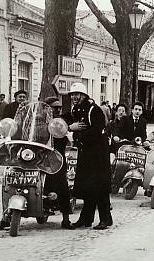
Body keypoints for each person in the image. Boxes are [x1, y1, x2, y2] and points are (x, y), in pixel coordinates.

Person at [65, 83, 112, 230]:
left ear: (84, 95)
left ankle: (105, 219)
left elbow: (98, 131)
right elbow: (67, 121)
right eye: (72, 95)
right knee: (88, 188)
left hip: (98, 154)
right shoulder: (77, 110)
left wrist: (76, 134)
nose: (74, 97)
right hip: (86, 153)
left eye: (77, 94)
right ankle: (86, 219)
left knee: (100, 187)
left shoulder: (94, 109)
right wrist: (67, 127)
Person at [43, 96, 75, 229]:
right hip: (39, 158)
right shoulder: (39, 122)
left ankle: (66, 218)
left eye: (59, 108)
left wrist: (69, 129)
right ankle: (7, 216)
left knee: (62, 187)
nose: (57, 110)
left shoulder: (62, 123)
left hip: (57, 159)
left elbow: (68, 134)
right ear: (46, 109)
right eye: (54, 108)